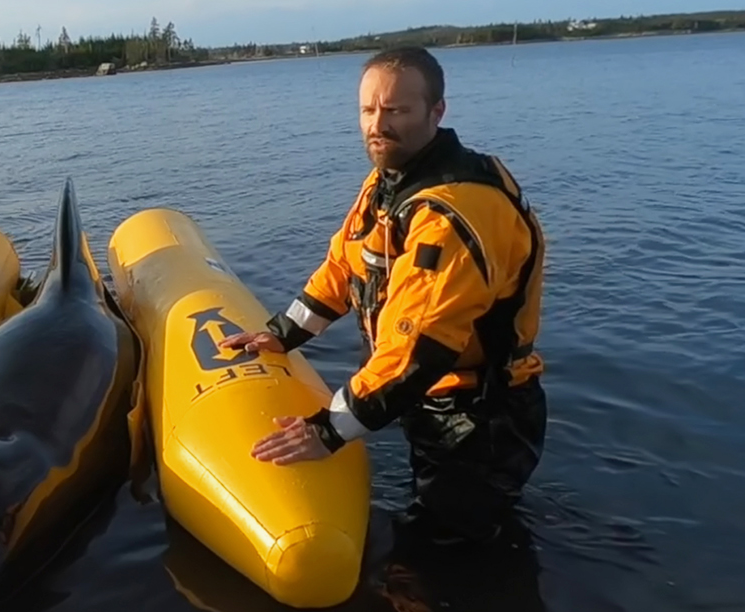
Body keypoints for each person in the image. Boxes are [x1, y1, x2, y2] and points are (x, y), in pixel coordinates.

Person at [218, 46, 548, 545]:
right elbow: (344, 265)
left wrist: (326, 432)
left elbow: (418, 350)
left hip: (480, 419)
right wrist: (280, 336)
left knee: (439, 559)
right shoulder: (390, 184)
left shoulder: (452, 215)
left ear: (437, 111)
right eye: (369, 110)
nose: (379, 124)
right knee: (460, 536)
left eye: (396, 110)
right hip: (433, 405)